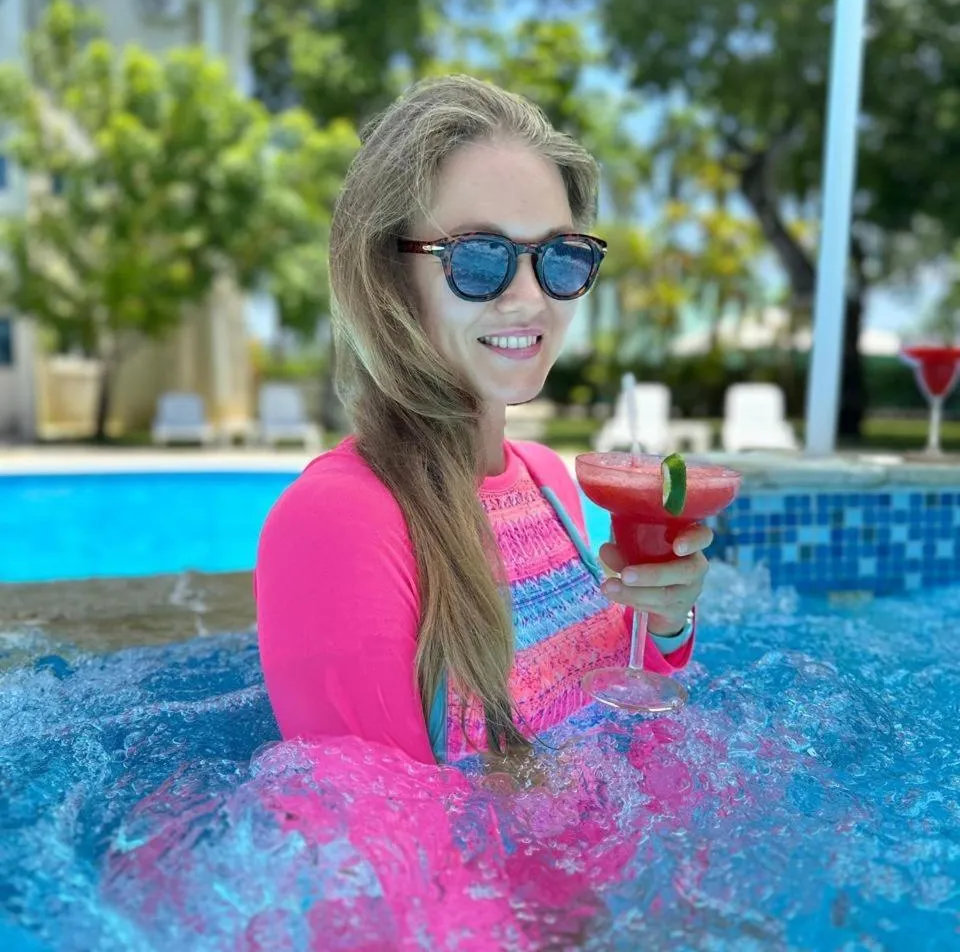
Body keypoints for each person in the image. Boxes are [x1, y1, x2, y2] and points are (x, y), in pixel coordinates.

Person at [254, 75, 713, 766]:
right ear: (389, 276)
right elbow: (384, 853)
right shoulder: (337, 522)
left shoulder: (548, 480)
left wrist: (668, 618)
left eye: (560, 256)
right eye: (477, 257)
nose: (529, 298)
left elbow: (624, 720)